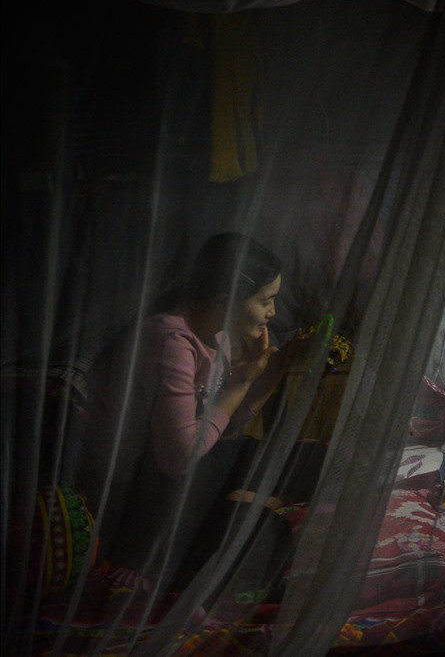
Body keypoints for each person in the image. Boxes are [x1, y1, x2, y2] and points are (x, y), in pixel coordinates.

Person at [80, 232, 297, 597]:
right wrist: (240, 385)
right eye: (266, 301)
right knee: (255, 523)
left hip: (170, 482)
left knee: (276, 481)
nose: (273, 312)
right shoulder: (171, 341)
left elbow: (221, 426)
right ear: (224, 301)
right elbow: (179, 457)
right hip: (129, 498)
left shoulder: (216, 335)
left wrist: (267, 377)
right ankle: (140, 564)